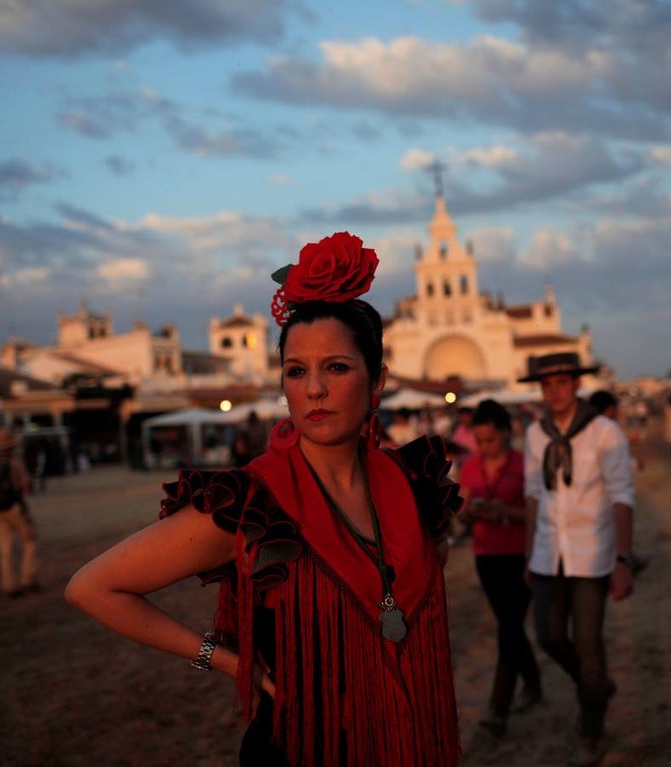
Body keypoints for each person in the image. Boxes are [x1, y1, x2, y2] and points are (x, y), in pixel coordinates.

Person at [66, 232, 462, 766]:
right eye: (297, 371)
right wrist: (225, 659)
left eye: (337, 367)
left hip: (407, 744)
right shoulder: (254, 503)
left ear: (378, 382)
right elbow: (93, 587)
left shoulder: (414, 483)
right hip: (300, 750)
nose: (314, 389)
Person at [521, 352, 635, 767]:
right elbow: (534, 492)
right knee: (548, 636)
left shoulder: (605, 432)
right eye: (547, 384)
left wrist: (623, 558)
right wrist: (529, 550)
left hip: (593, 552)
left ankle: (592, 727)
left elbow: (622, 496)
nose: (554, 390)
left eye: (562, 382)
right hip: (549, 551)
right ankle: (597, 687)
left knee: (588, 643)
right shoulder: (536, 434)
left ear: (576, 384)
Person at [457, 399, 542, 737]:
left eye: (490, 439)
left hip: (520, 553)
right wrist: (467, 512)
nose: (484, 446)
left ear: (507, 432)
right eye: (480, 440)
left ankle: (498, 707)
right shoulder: (471, 466)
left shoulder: (525, 464)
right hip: (486, 554)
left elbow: (539, 513)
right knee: (511, 625)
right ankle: (533, 681)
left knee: (509, 627)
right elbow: (462, 507)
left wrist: (505, 511)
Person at [0, 428, 39, 598]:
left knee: (5, 549)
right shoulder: (15, 463)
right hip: (14, 508)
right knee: (29, 541)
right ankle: (27, 578)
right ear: (13, 446)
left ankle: (9, 585)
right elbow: (26, 487)